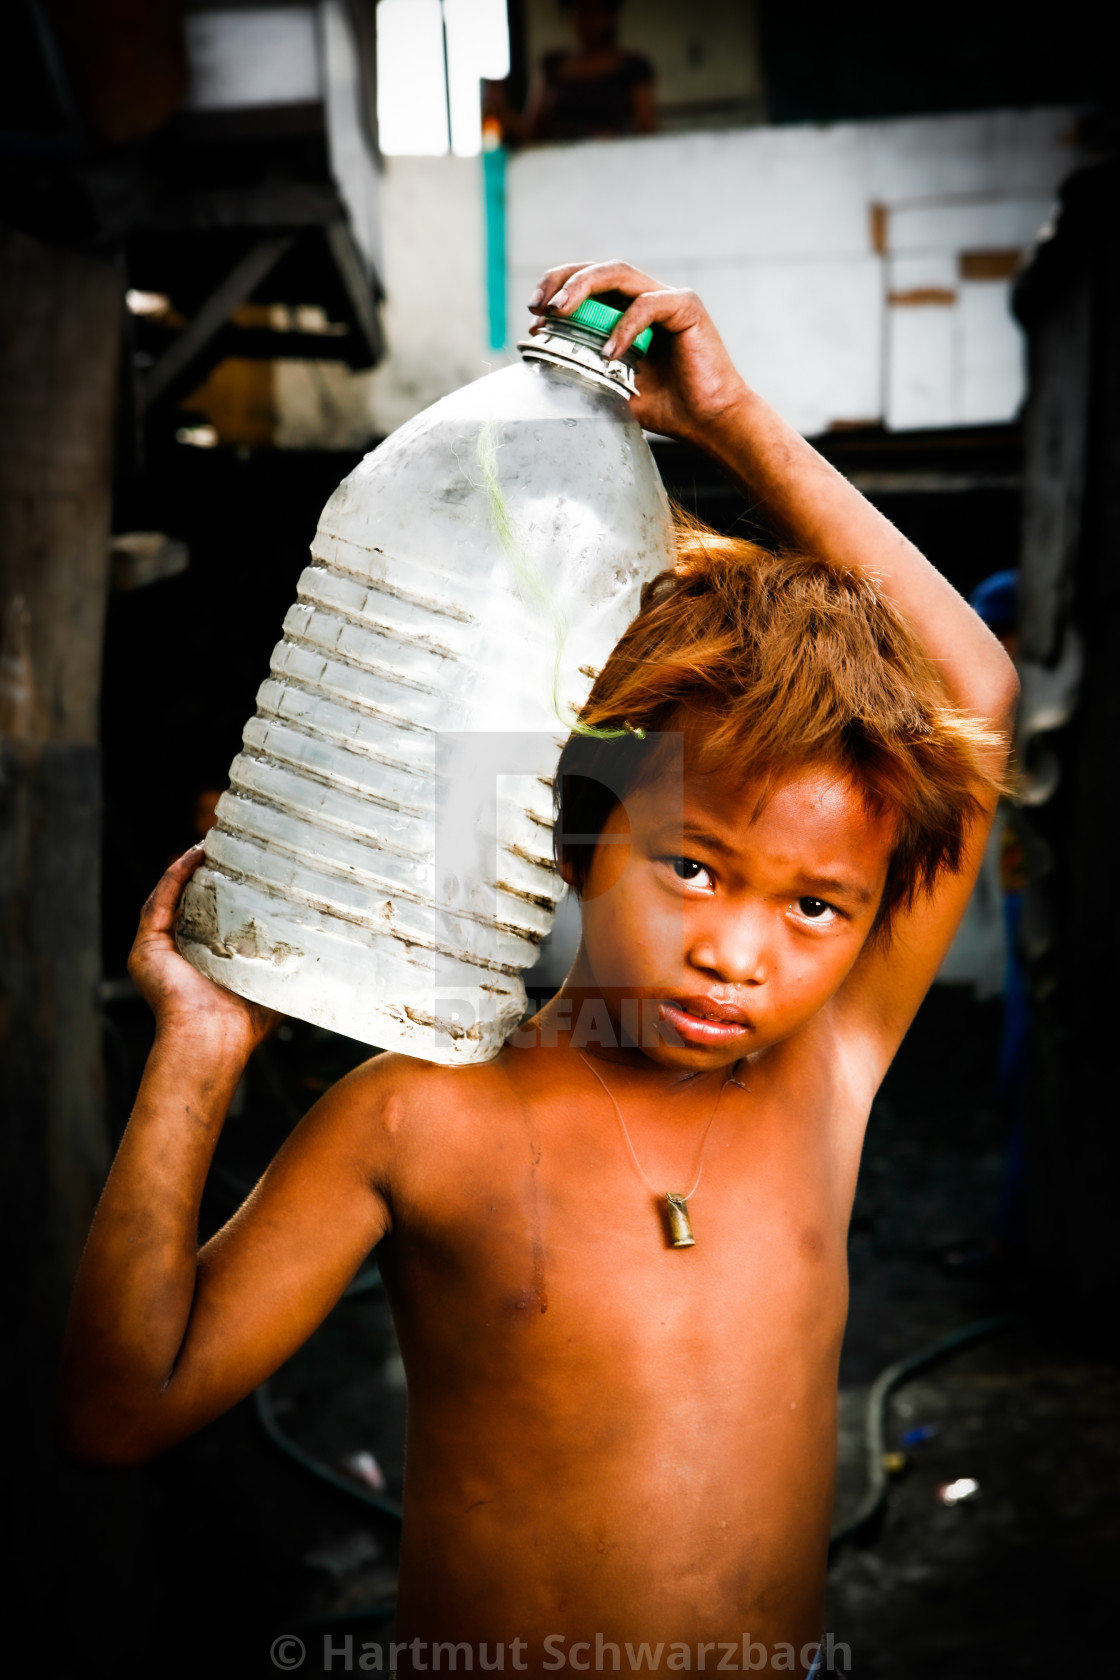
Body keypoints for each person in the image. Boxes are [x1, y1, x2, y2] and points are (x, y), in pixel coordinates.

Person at [59, 261, 1017, 1678]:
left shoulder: (826, 1075)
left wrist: (731, 419)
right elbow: (120, 1405)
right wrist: (197, 1050)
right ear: (573, 836)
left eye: (817, 908)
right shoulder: (421, 1118)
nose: (737, 950)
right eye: (691, 865)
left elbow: (972, 694)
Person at [488, 0, 656, 144]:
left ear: (610, 14)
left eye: (593, 10)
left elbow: (647, 131)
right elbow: (533, 131)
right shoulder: (552, 65)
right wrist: (502, 109)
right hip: (558, 162)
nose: (585, 19)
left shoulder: (633, 66)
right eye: (577, 10)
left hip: (611, 162)